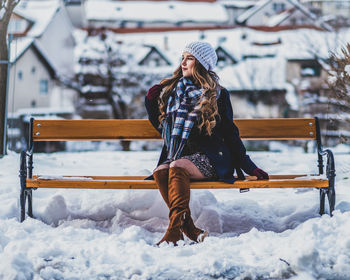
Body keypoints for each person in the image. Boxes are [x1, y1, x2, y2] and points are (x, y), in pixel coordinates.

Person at [145, 41, 269, 246]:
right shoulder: (174, 93)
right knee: (160, 171)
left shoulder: (217, 94)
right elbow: (162, 128)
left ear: (202, 64)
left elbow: (230, 134)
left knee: (176, 166)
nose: (183, 63)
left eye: (190, 58)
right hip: (182, 155)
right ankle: (190, 229)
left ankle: (174, 232)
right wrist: (151, 103)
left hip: (213, 158)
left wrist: (249, 166)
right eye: (183, 58)